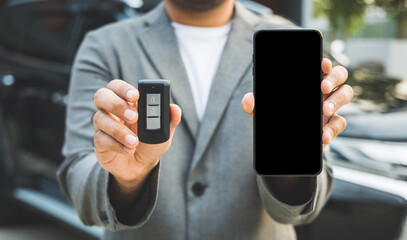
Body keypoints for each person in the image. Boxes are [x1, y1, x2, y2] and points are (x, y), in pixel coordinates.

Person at [57, 0, 353, 239]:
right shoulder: (105, 45)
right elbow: (78, 177)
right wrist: (126, 179)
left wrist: (293, 158)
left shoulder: (288, 40)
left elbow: (303, 210)